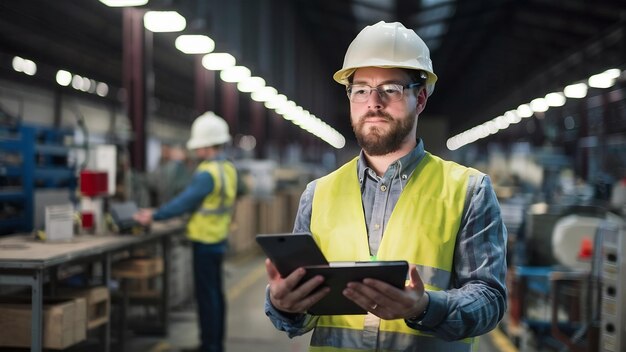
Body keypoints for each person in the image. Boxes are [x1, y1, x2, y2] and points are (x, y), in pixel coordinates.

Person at [263, 21, 508, 351]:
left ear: (420, 99)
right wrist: (284, 305)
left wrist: (424, 308)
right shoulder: (317, 194)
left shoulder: (469, 190)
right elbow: (304, 316)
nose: (373, 102)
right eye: (361, 89)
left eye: (391, 89)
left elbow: (489, 301)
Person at [134, 111, 239, 352]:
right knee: (216, 296)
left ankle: (209, 346)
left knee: (206, 297)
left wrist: (153, 214)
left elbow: (184, 202)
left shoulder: (206, 173)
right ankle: (214, 344)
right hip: (219, 239)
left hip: (204, 241)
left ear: (205, 144)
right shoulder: (228, 169)